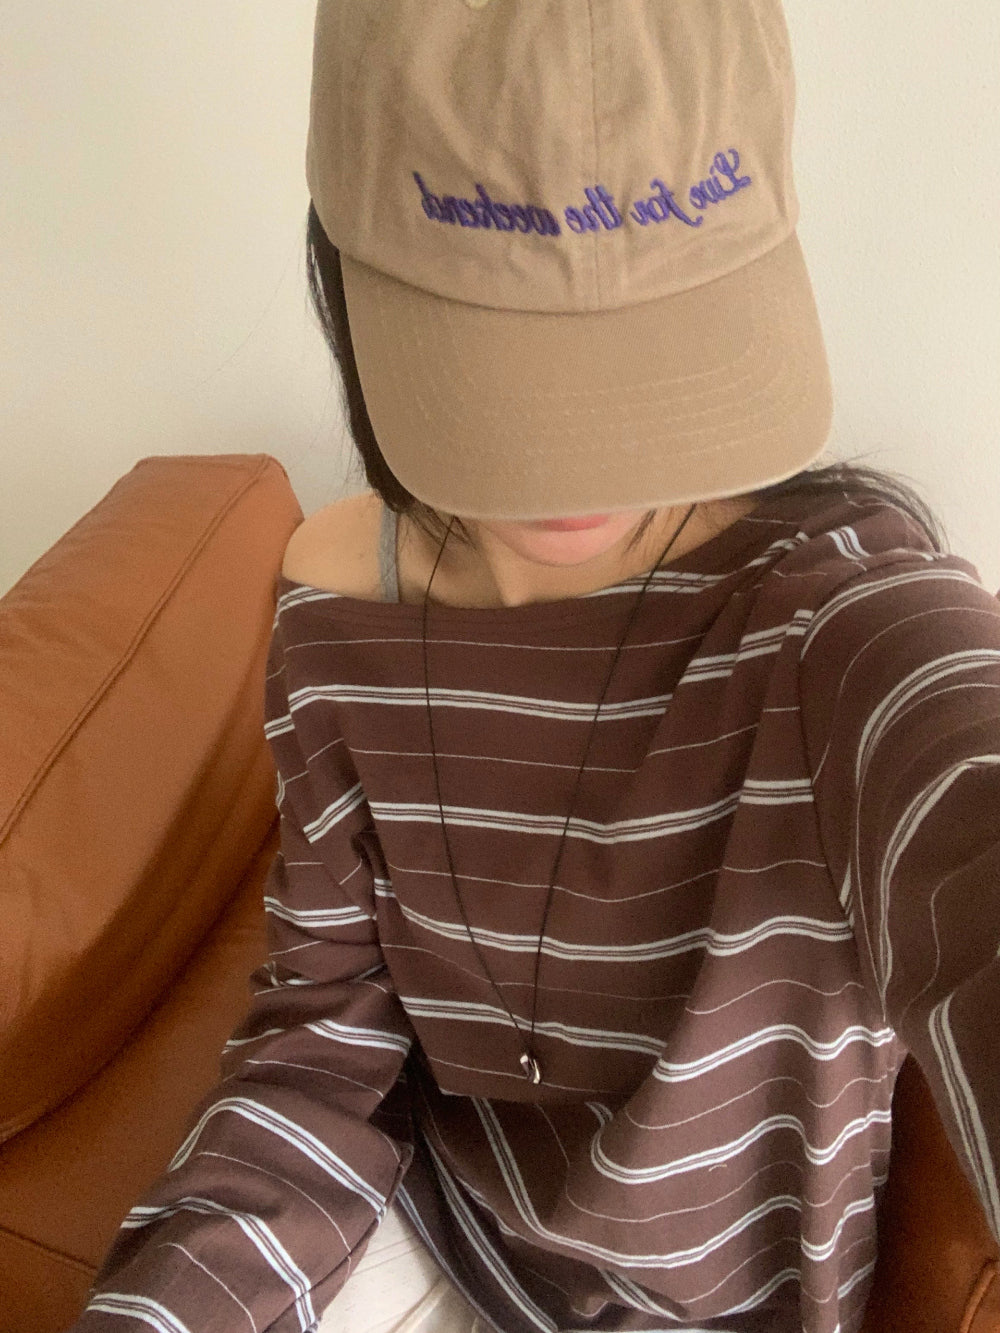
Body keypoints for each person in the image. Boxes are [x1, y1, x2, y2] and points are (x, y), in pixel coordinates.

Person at [69, 2, 1000, 1332]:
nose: (583, 464)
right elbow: (319, 1049)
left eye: (648, 350)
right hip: (437, 1233)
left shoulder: (841, 621)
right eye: (509, 358)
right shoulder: (338, 614)